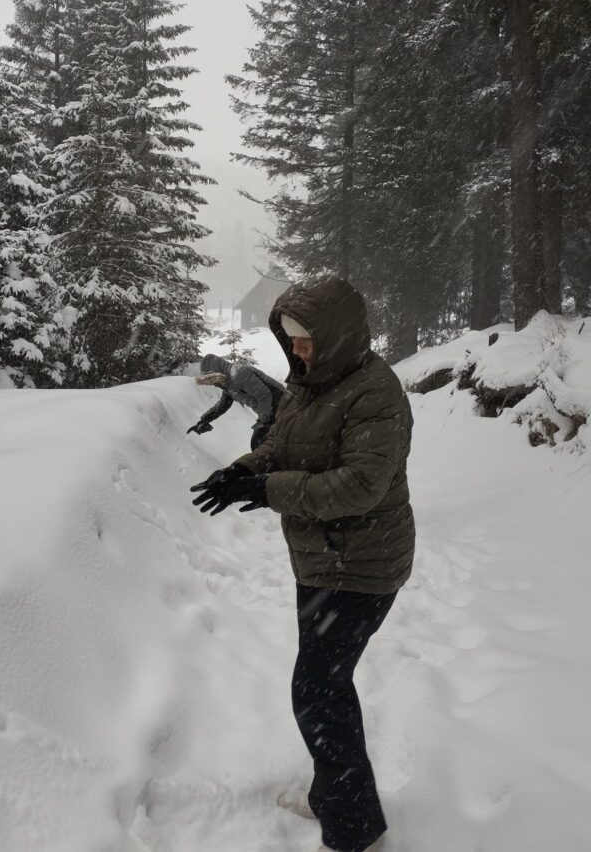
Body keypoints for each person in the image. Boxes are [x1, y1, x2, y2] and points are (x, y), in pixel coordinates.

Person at [190, 276, 414, 852]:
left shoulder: (375, 393)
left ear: (337, 335)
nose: (299, 352)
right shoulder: (310, 383)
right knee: (323, 685)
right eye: (292, 341)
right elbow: (282, 446)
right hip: (321, 562)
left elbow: (362, 485)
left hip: (362, 567)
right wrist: (242, 470)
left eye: (307, 340)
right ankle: (334, 799)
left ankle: (352, 828)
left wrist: (270, 490)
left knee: (318, 690)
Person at [187, 353, 285, 450]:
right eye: (208, 379)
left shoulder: (239, 374)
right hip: (272, 413)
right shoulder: (229, 385)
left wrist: (265, 421)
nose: (212, 382)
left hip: (285, 406)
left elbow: (264, 394)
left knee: (264, 444)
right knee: (261, 445)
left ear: (217, 371)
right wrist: (204, 420)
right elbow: (222, 406)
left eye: (211, 377)